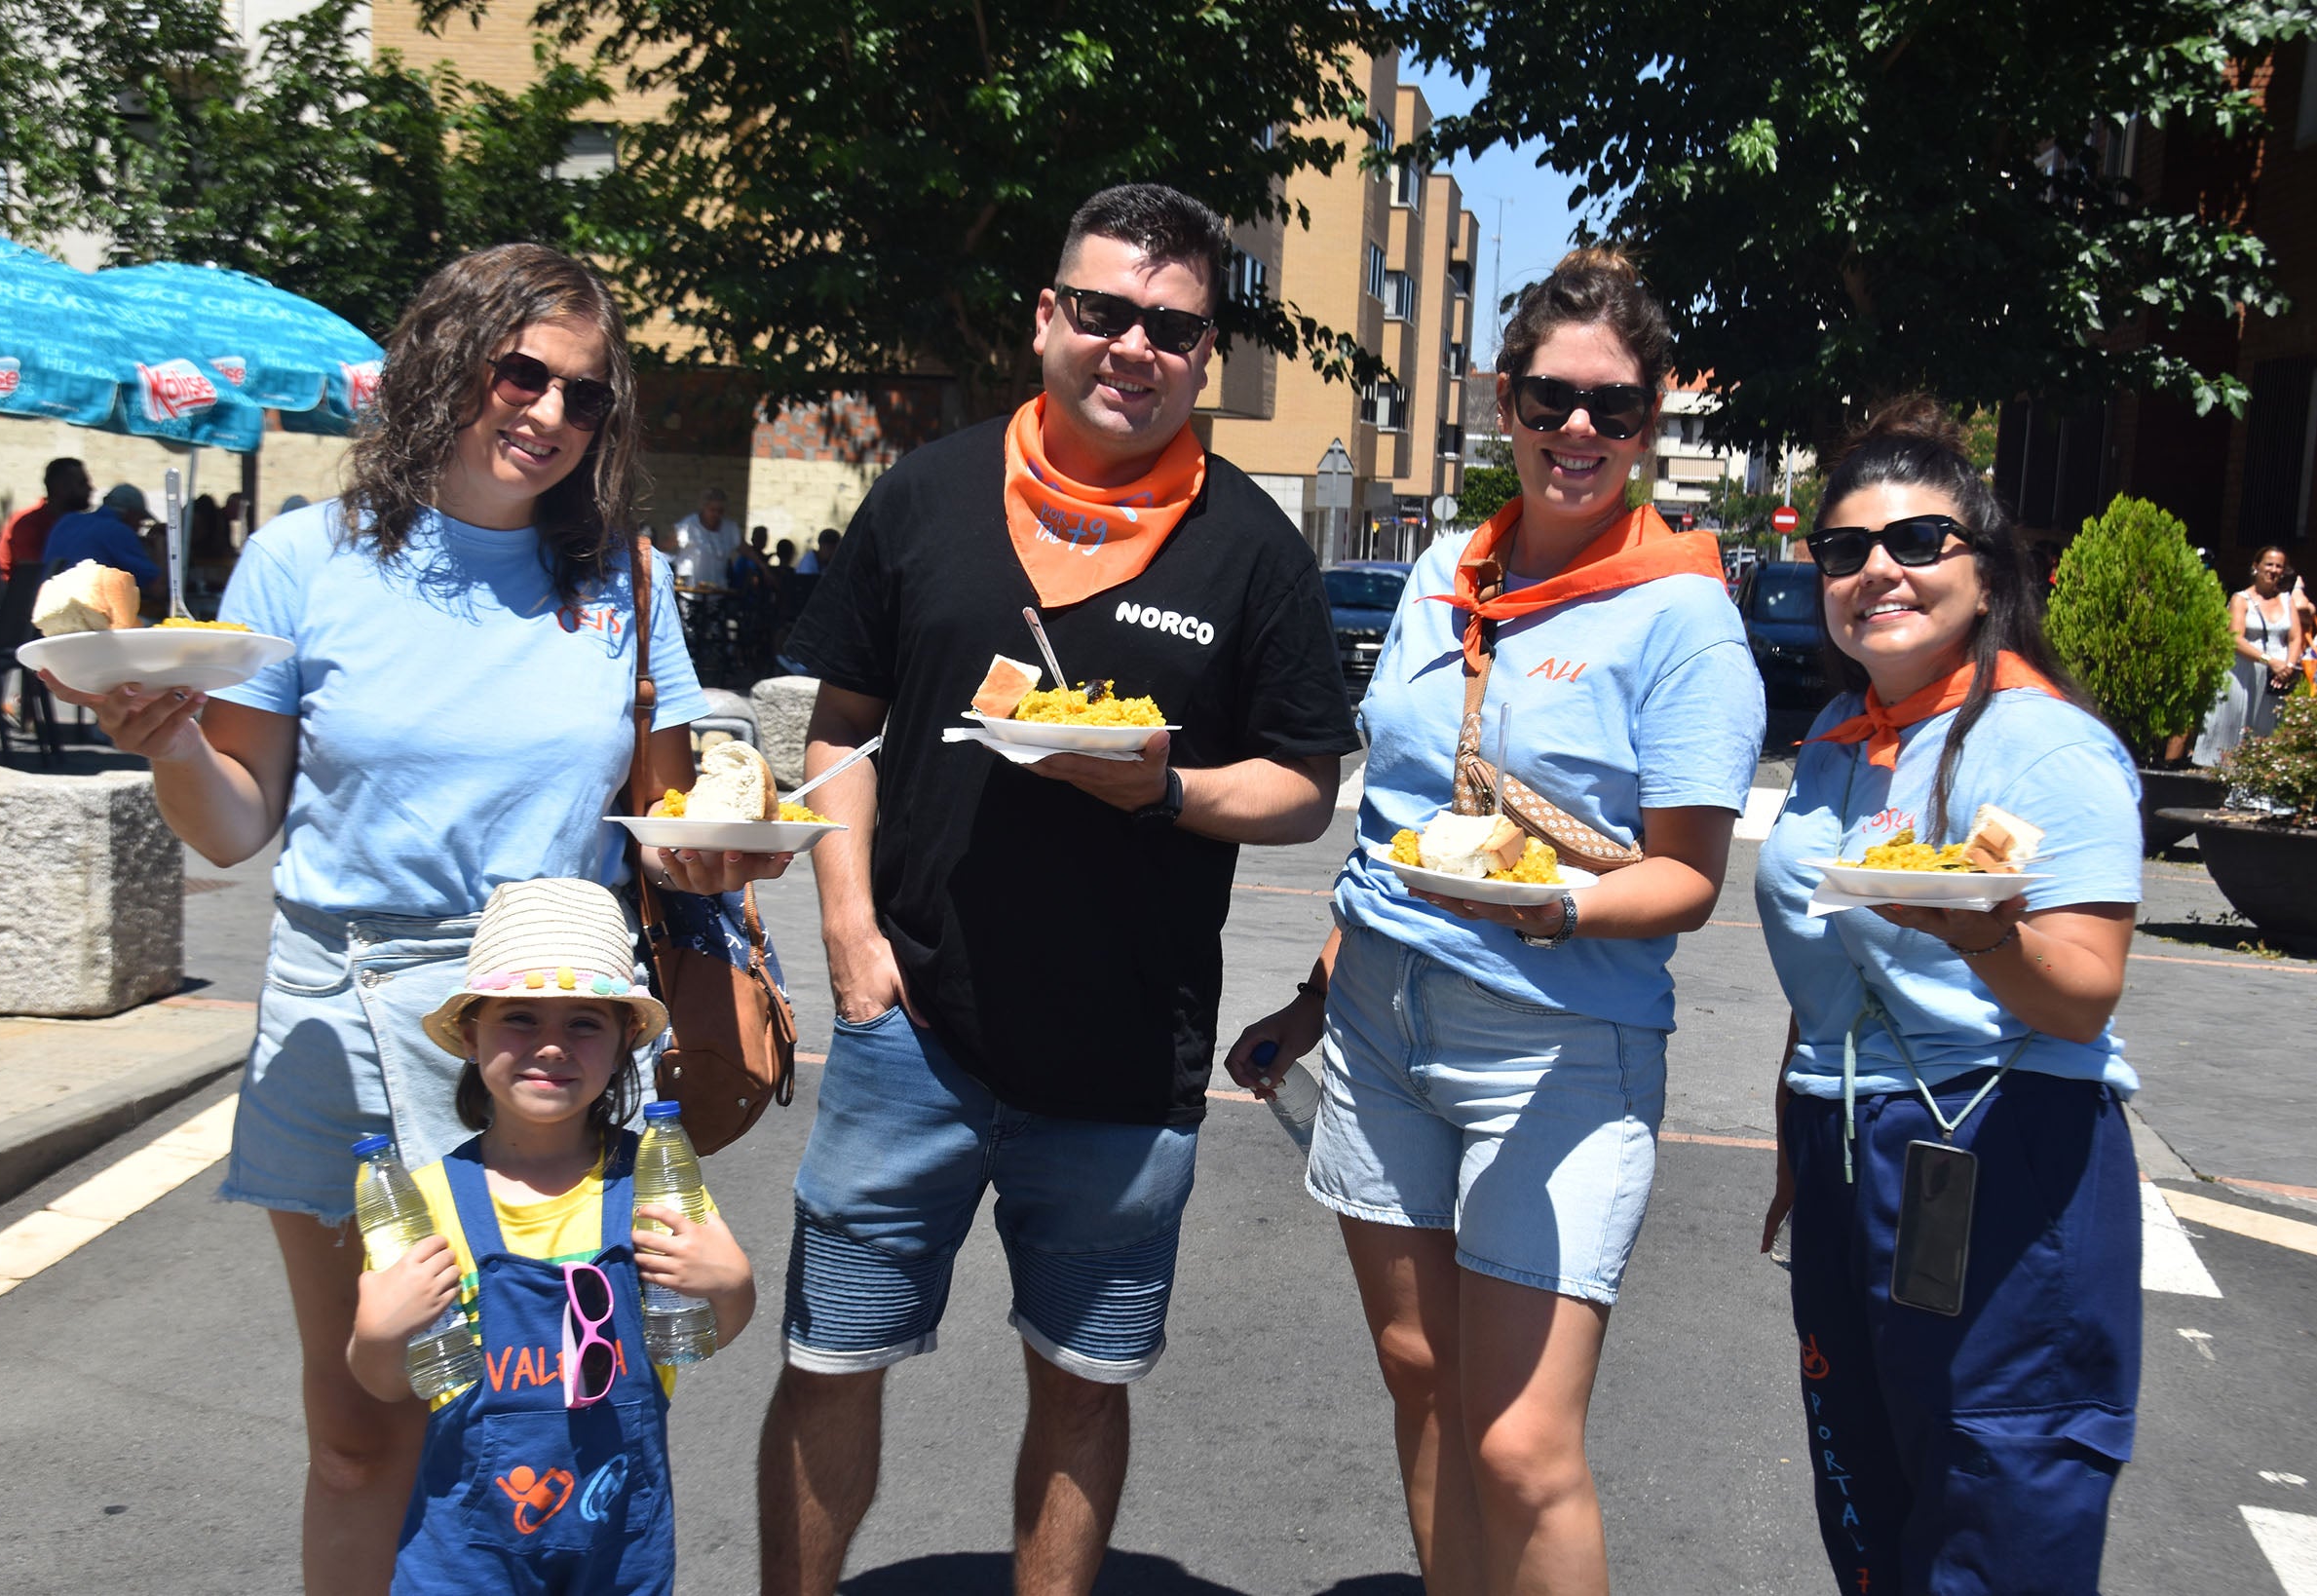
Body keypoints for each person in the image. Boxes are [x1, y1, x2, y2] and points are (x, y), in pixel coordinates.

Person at [39, 242, 791, 1596]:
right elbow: (234, 820)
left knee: (560, 1410)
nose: (551, 414)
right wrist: (163, 741)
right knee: (361, 1423)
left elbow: (672, 820)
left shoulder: (621, 581)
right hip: (343, 1016)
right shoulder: (300, 560)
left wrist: (724, 853)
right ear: (448, 359)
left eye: (586, 395)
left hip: (549, 1026)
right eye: (523, 373)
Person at [762, 182, 1359, 1596]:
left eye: (1170, 324)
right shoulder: (927, 493)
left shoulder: (1250, 547)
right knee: (830, 1356)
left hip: (1120, 1045)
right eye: (1102, 311)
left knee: (1083, 1378)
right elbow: (836, 726)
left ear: (1204, 351)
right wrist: (846, 925)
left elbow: (1304, 786)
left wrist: (1168, 788)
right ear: (1048, 317)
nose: (1131, 346)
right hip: (910, 1016)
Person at [1224, 247, 1763, 1592]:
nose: (1577, 430)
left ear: (1645, 426)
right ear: (1503, 403)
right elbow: (1397, 818)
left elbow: (1689, 876)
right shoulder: (1441, 575)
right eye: (1548, 398)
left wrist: (1559, 904)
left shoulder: (1684, 616)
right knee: (1422, 1381)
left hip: (1558, 1046)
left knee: (1521, 1441)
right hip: (1380, 1022)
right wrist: (1312, 991)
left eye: (1615, 408)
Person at [1754, 398, 2142, 1595]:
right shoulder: (1835, 734)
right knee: (1867, 1489)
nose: (1878, 570)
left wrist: (1977, 935)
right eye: (1844, 549)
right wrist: (1795, 1137)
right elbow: (1825, 973)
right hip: (1847, 1139)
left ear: (1988, 570)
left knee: (1996, 1492)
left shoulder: (2043, 741)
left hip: (2000, 1138)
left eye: (1918, 542)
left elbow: (2080, 997)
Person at [352, 878, 755, 1595]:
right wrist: (379, 1334)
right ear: (470, 1036)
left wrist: (731, 1286)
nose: (550, 1047)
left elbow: (707, 1332)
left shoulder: (654, 1185)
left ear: (624, 1041)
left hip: (621, 1544)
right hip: (464, 1558)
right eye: (519, 1019)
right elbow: (387, 1383)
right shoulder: (427, 1199)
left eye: (582, 1024)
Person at [2192, 545, 2301, 765]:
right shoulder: (2241, 599)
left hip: (2277, 680)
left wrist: (2288, 666)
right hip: (2245, 674)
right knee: (2233, 730)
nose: (2273, 570)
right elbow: (2235, 638)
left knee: (2268, 732)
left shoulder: (2287, 600)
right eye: (2268, 564)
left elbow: (2295, 637)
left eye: (2279, 566)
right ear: (2256, 567)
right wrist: (2270, 661)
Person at [43, 483, 162, 598]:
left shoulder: (68, 520)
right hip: (84, 608)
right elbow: (156, 587)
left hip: (48, 604)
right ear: (131, 514)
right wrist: (160, 546)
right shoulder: (118, 530)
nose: (138, 528)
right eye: (140, 521)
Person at [0, 457, 92, 576]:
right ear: (60, 487)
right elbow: (33, 574)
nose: (90, 489)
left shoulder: (77, 524)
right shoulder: (28, 524)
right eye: (82, 483)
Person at [665, 485, 740, 589]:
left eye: (720, 511)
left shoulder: (729, 528)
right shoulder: (688, 525)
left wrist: (763, 568)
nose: (716, 514)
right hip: (689, 590)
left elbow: (743, 548)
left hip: (717, 590)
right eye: (712, 510)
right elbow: (665, 547)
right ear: (704, 508)